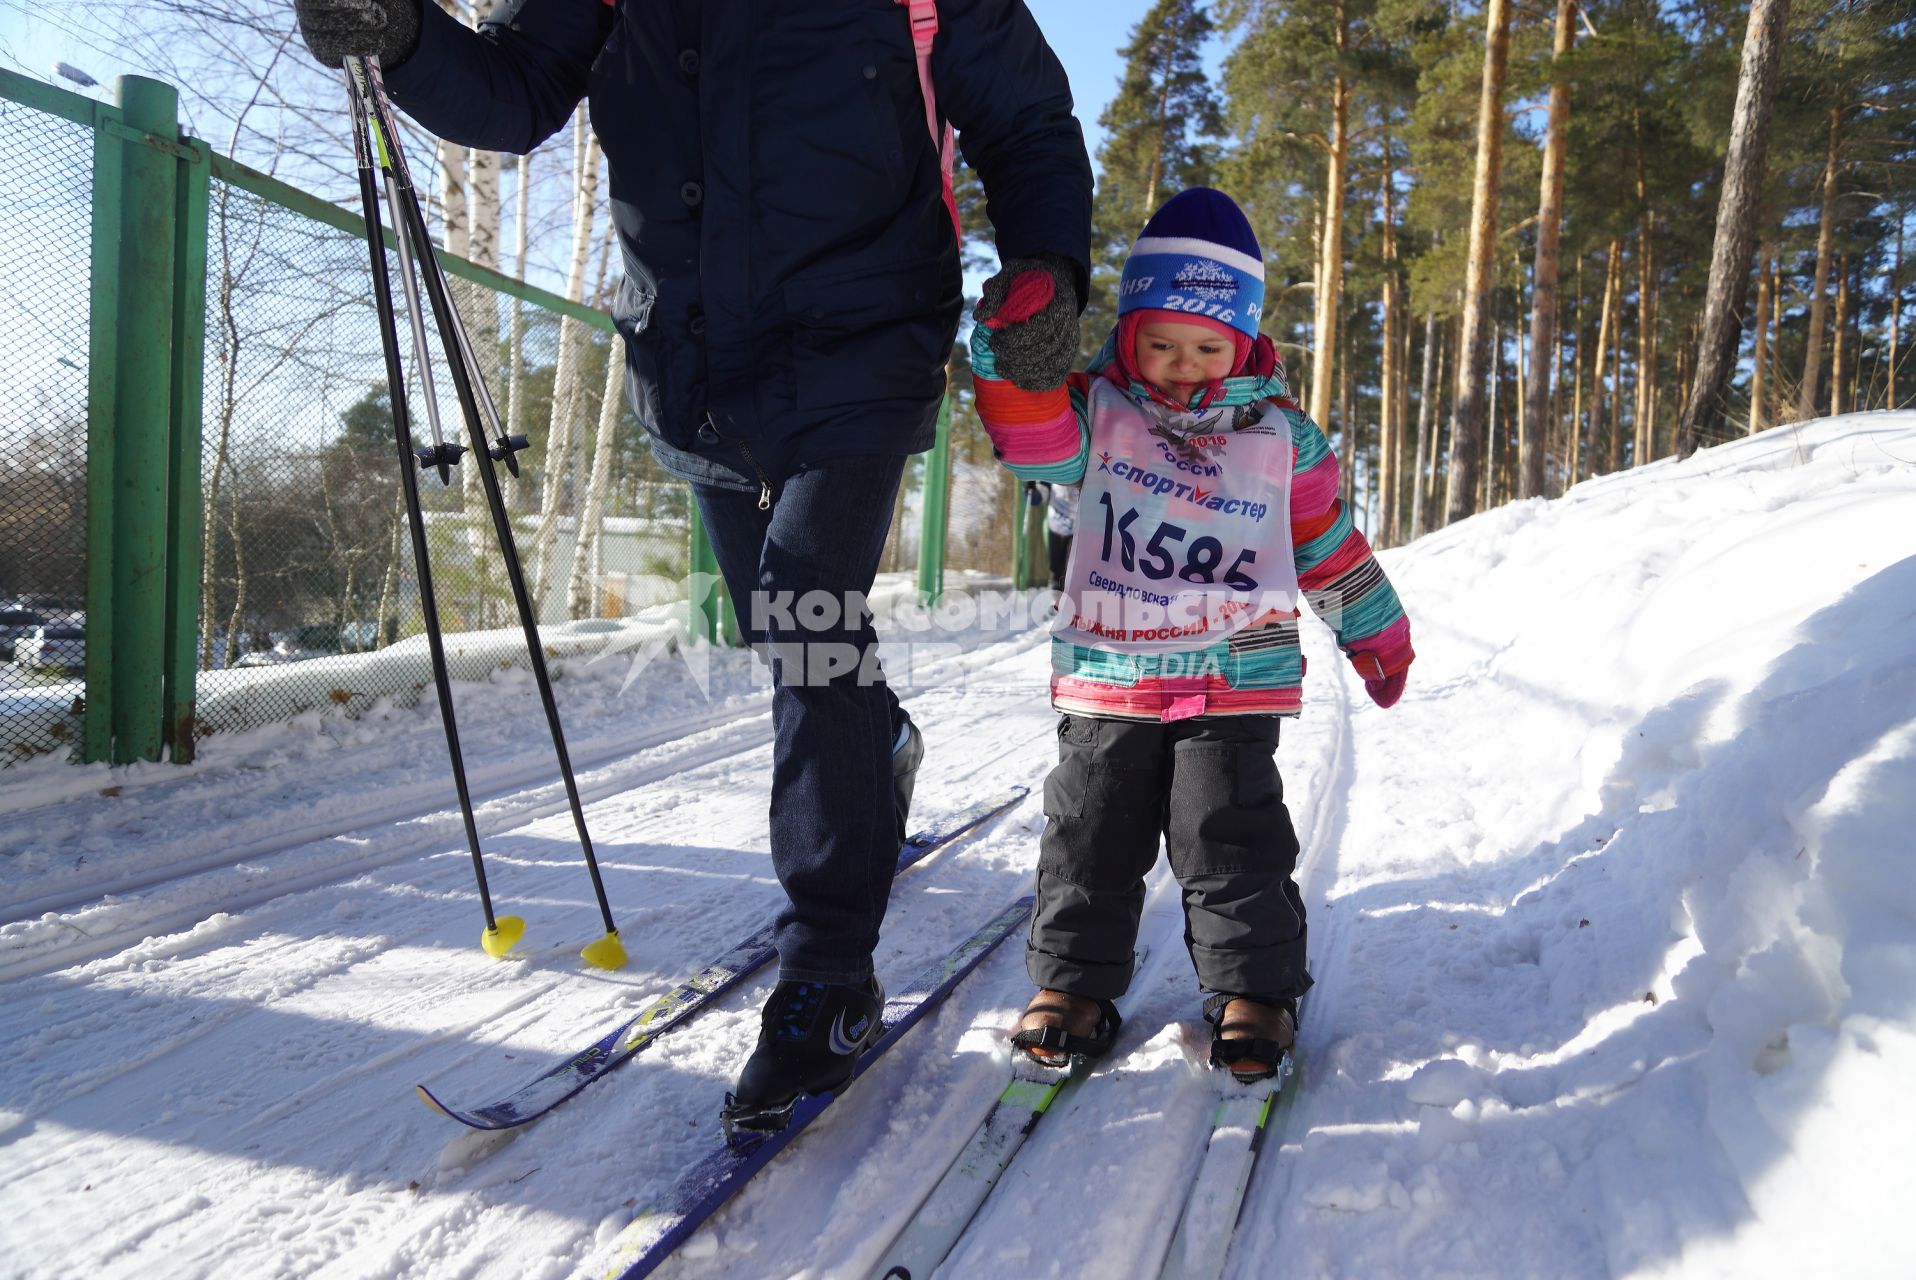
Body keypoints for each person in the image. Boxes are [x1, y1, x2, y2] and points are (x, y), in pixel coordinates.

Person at [294, 0, 1093, 1123]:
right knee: (790, 631)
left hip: (865, 342)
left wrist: (1046, 268)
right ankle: (878, 744)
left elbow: (1022, 121)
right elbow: (517, 92)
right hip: (697, 362)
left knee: (809, 611)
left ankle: (828, 969)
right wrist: (405, 37)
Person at [969, 187, 1413, 1082]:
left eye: (1207, 347)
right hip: (1112, 665)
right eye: (1161, 344)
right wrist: (1015, 356)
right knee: (1089, 828)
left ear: (1244, 343)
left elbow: (1323, 543)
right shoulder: (1098, 414)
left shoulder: (1280, 440)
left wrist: (1376, 630)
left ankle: (1254, 991)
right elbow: (1032, 436)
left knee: (1226, 831)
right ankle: (1071, 986)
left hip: (1231, 670)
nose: (1181, 365)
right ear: (1129, 335)